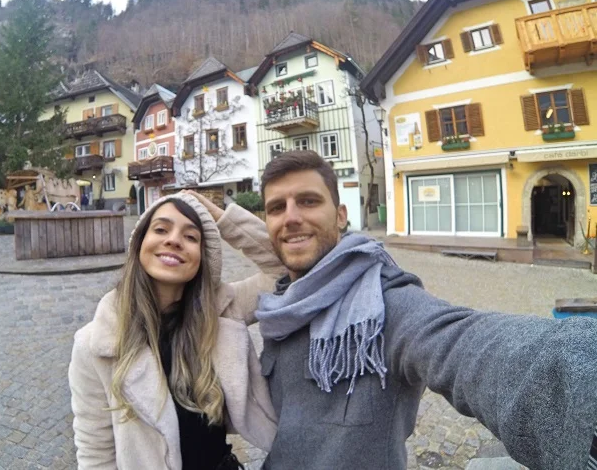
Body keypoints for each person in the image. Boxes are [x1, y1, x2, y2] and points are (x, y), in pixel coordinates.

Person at [191, 150, 597, 470]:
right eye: (277, 208)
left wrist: (575, 383)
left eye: (309, 201)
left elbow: (461, 341)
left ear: (341, 214)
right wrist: (226, 221)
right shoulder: (281, 303)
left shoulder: (383, 304)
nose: (291, 217)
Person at [68, 192, 283, 469]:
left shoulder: (222, 312)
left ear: (203, 259)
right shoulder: (96, 343)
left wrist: (220, 217)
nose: (173, 240)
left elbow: (283, 270)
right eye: (161, 229)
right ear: (140, 244)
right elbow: (96, 455)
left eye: (191, 237)